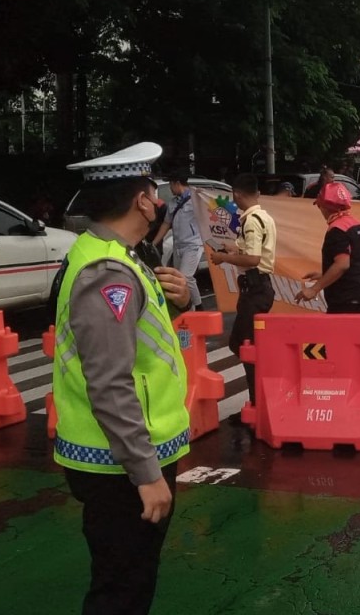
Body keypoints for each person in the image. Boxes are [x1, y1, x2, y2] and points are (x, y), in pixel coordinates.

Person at [53, 142, 193, 615]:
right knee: (122, 589)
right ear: (141, 199)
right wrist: (146, 473)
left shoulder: (120, 255)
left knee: (131, 578)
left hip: (121, 456)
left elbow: (139, 342)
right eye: (152, 189)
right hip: (120, 465)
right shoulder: (107, 272)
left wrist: (181, 301)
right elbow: (110, 381)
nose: (158, 200)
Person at [209, 174, 277, 411]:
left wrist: (223, 257)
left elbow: (254, 258)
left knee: (242, 345)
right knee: (247, 345)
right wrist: (234, 247)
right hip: (257, 287)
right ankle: (258, 401)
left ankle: (260, 402)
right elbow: (253, 250)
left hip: (255, 288)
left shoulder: (251, 221)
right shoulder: (263, 216)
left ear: (237, 194)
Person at [297, 183, 360, 313]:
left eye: (319, 205)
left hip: (346, 301)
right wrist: (324, 275)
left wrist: (314, 289)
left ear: (325, 207)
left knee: (337, 334)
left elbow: (342, 265)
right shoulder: (357, 224)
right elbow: (356, 264)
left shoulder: (337, 230)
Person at [150, 175, 202, 310]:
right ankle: (187, 309)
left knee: (186, 277)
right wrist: (154, 243)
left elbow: (211, 215)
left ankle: (198, 307)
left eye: (171, 185)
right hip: (178, 245)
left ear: (177, 183)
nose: (170, 188)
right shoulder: (173, 203)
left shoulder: (197, 199)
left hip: (193, 245)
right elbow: (166, 224)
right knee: (179, 278)